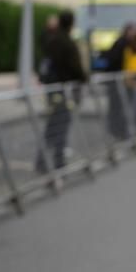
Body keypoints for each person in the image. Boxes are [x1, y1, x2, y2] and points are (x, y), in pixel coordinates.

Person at [35, 10, 88, 173]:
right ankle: (56, 160)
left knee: (53, 124)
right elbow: (75, 68)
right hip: (63, 89)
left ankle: (44, 160)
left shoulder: (52, 39)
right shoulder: (67, 43)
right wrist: (84, 78)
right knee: (60, 125)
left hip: (53, 89)